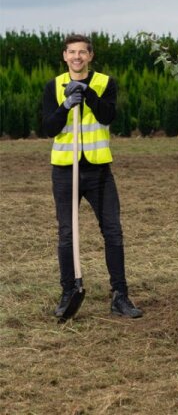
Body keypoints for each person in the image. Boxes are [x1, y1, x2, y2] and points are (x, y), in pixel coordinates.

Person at [42, 33, 143, 319]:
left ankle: (120, 296)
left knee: (113, 231)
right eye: (71, 52)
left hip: (99, 171)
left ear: (90, 56)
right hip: (65, 170)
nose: (77, 57)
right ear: (64, 56)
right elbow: (48, 128)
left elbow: (108, 116)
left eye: (82, 52)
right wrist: (65, 106)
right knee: (66, 233)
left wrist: (87, 95)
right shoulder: (54, 86)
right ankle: (68, 293)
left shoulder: (105, 83)